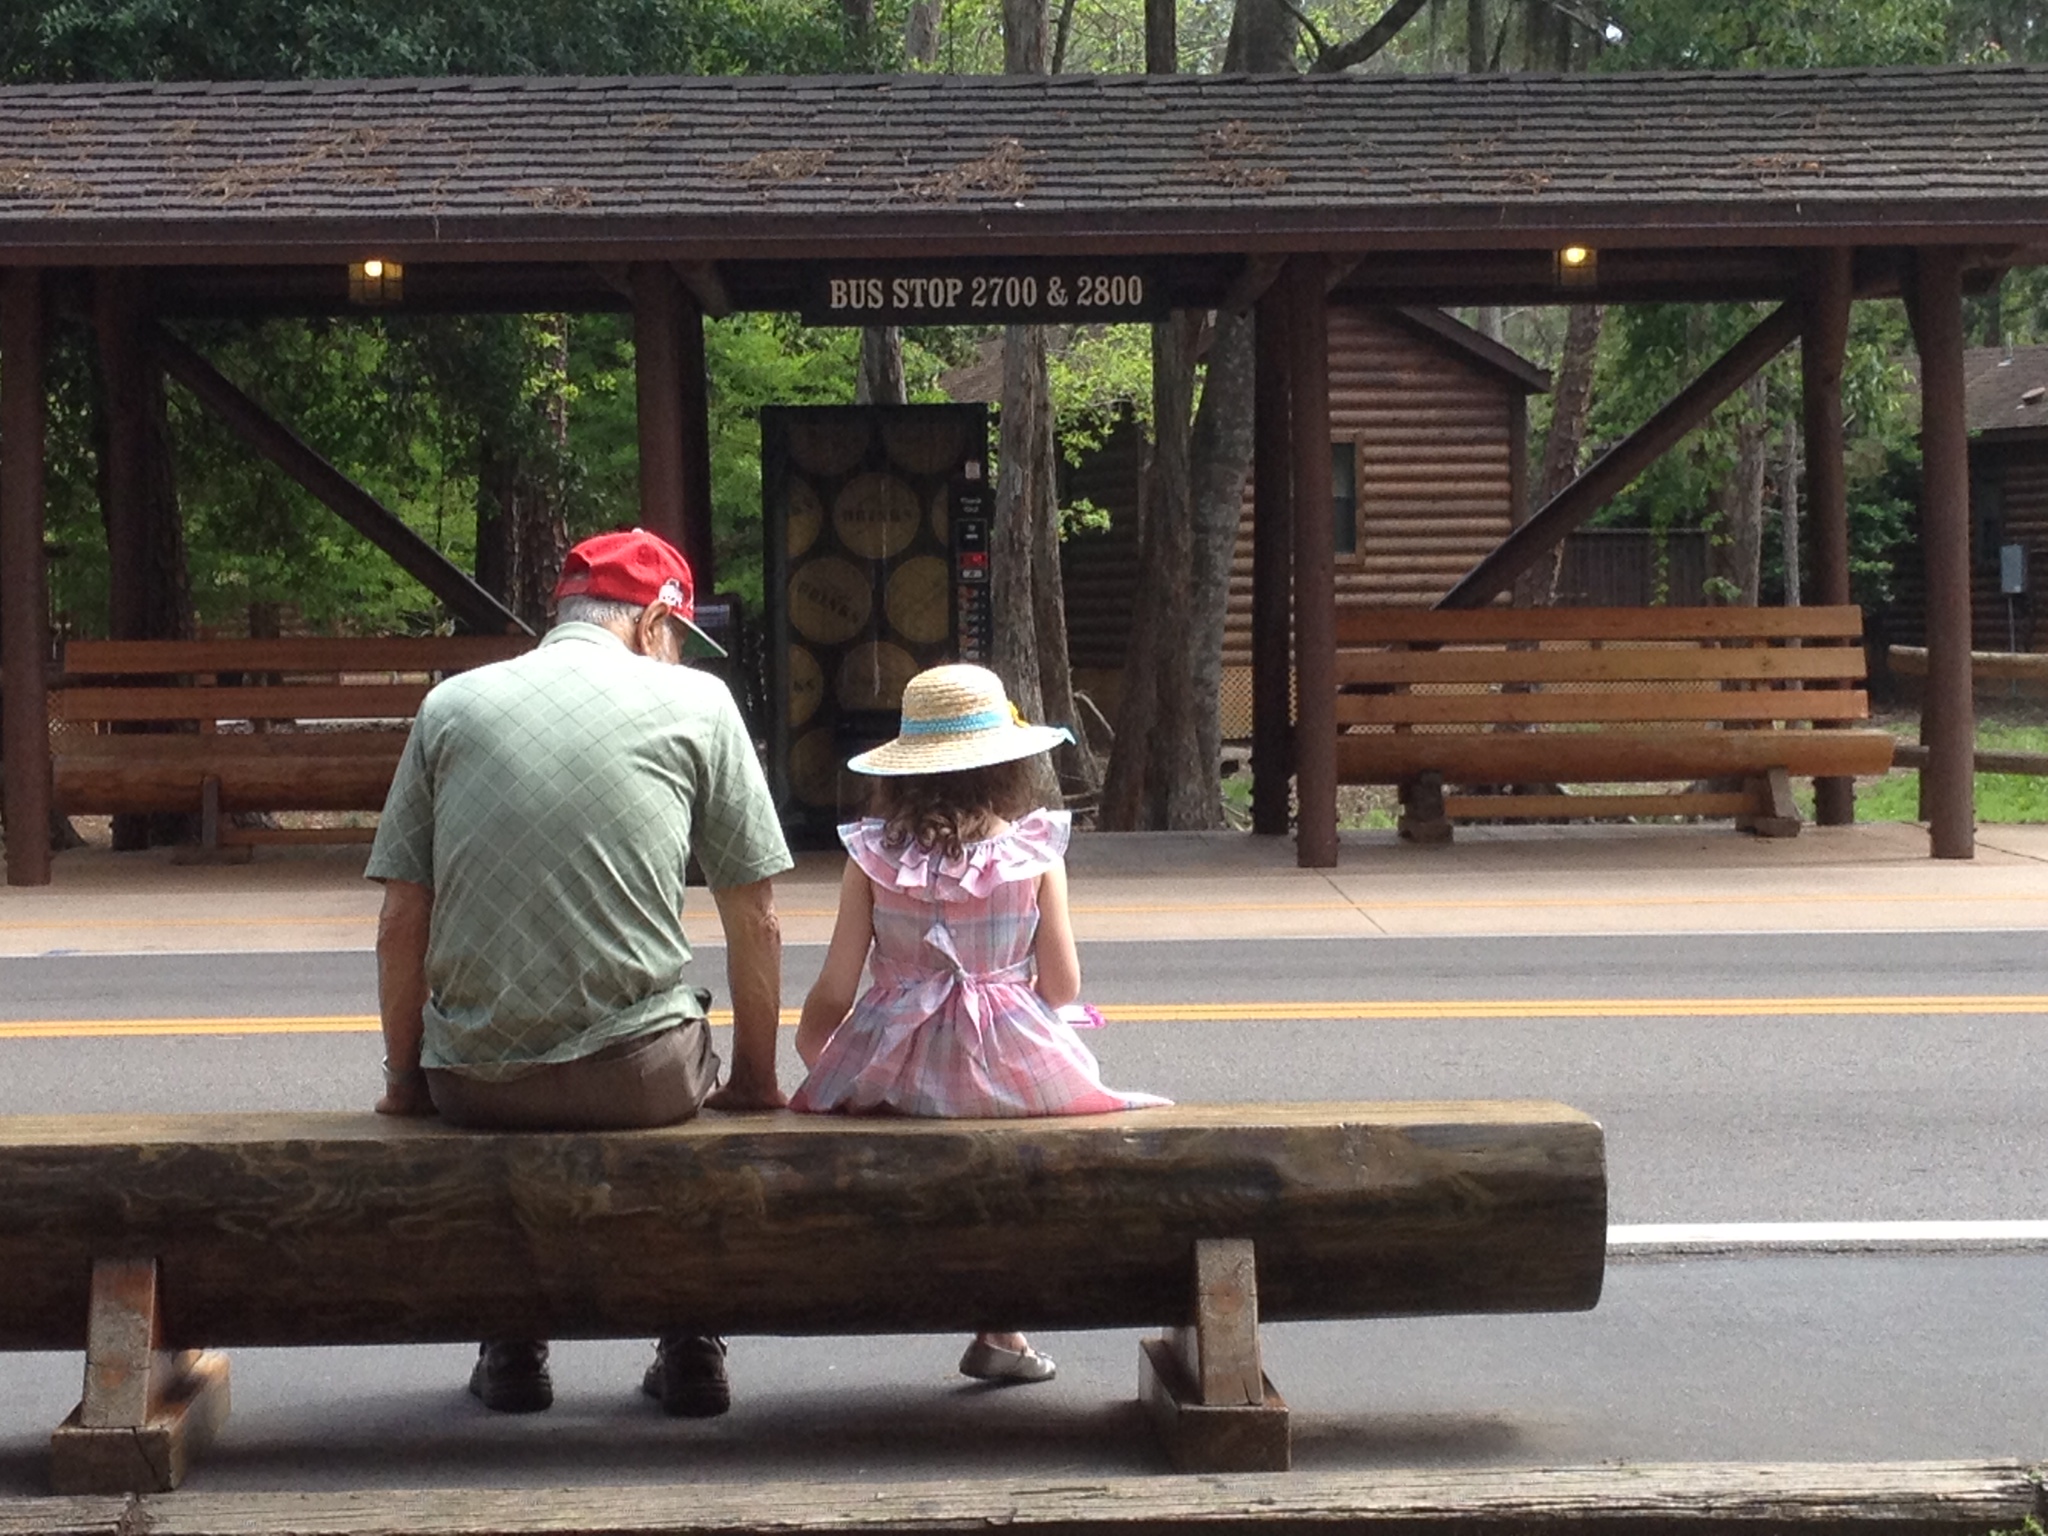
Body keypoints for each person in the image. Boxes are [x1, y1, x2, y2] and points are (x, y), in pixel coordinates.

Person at [367, 527, 792, 1419]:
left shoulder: (453, 705)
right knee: (687, 1072)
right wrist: (757, 1077)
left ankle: (515, 1343)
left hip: (472, 1082)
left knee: (510, 1084)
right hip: (637, 1079)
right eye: (678, 634)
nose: (679, 653)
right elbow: (756, 915)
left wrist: (407, 1081)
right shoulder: (698, 703)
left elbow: (401, 918)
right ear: (654, 621)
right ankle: (689, 1342)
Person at [790, 663, 1168, 1385]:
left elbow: (835, 988)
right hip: (1006, 1069)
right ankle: (1002, 1330)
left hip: (896, 1072)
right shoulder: (1033, 853)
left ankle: (986, 1325)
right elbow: (1062, 985)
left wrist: (820, 1059)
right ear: (1008, 769)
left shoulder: (871, 856)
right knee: (1015, 1160)